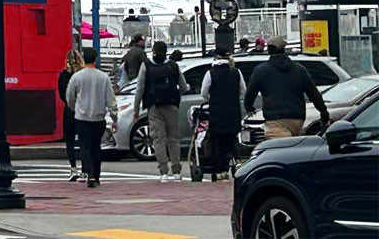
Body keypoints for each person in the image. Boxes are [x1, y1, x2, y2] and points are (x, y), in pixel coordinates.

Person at [244, 35, 329, 139]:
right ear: (284, 49)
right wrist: (323, 111)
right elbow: (313, 93)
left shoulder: (261, 71)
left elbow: (251, 92)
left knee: (281, 150)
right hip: (297, 118)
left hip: (275, 118)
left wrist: (249, 107)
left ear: (269, 51)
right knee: (292, 147)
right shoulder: (299, 69)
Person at [132, 41, 189, 181]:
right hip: (172, 106)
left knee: (158, 139)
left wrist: (136, 109)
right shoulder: (173, 66)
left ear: (153, 51)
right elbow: (183, 86)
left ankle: (163, 172)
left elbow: (139, 88)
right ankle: (176, 171)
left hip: (154, 107)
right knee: (174, 139)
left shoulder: (147, 66)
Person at [66, 46, 116, 188]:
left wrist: (74, 107)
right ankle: (97, 174)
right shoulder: (103, 77)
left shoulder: (77, 77)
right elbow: (110, 99)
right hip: (99, 117)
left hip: (82, 116)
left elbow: (70, 95)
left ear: (83, 58)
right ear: (95, 59)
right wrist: (114, 116)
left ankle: (89, 173)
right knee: (96, 147)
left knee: (85, 146)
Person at [200, 48, 246, 180]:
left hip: (217, 111)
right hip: (233, 111)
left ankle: (221, 169)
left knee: (218, 140)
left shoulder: (211, 73)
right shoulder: (236, 72)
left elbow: (204, 92)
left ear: (216, 58)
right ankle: (234, 164)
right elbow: (243, 90)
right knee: (231, 139)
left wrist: (212, 99)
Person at [58, 48, 86, 181]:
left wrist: (70, 103)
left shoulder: (63, 75)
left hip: (69, 110)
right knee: (84, 141)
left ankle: (73, 168)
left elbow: (62, 94)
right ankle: (85, 169)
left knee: (69, 141)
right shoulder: (83, 75)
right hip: (83, 110)